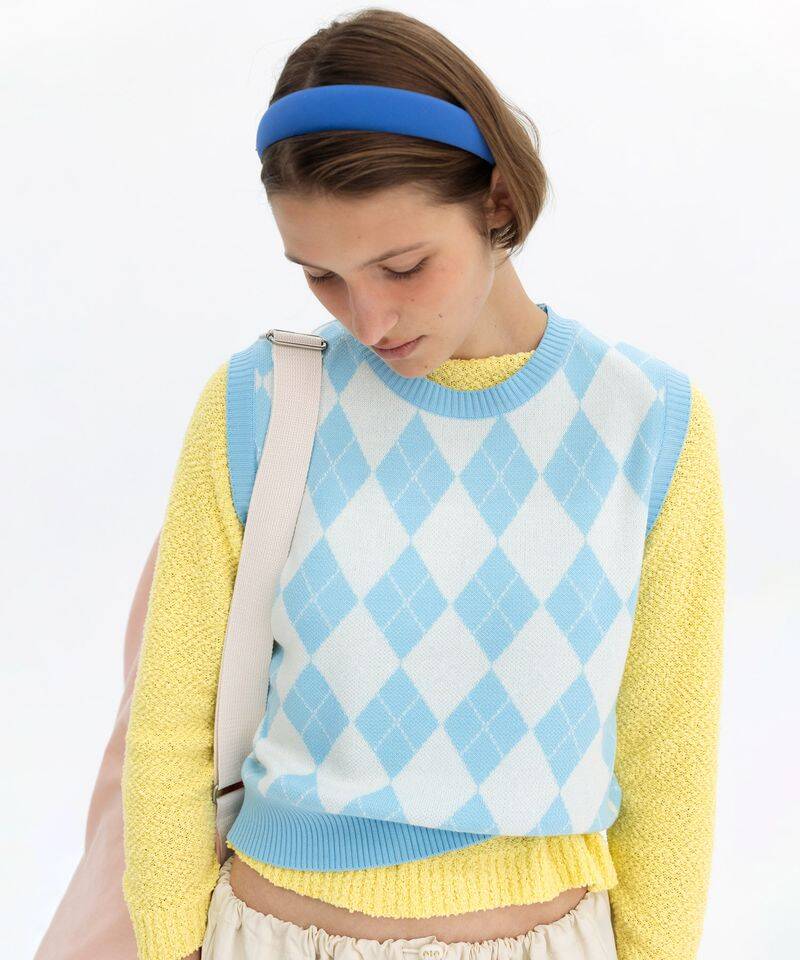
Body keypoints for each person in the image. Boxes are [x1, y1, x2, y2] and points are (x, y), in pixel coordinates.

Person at [121, 9, 725, 960]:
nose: (369, 320)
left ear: (496, 200)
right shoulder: (263, 402)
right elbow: (171, 729)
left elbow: (669, 759)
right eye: (322, 275)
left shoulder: (644, 421)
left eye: (402, 266)